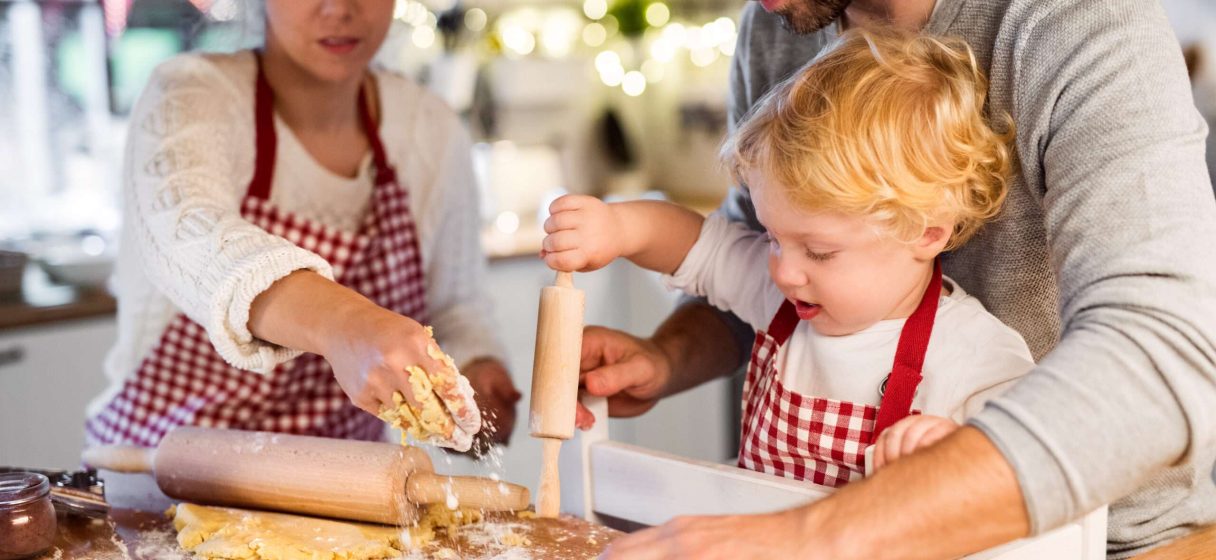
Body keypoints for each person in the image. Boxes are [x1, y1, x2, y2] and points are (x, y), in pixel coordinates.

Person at [587, 0, 1216, 558]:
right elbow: (756, 262)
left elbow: (1162, 356)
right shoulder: (779, 24)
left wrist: (808, 538)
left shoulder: (1080, 24)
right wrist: (666, 355)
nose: (788, 265)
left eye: (821, 252)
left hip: (1100, 541)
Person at [546, 30, 1034, 486]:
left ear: (925, 233)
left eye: (820, 252)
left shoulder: (973, 353)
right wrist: (618, 227)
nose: (782, 268)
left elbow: (1026, 461)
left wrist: (954, 451)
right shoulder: (783, 298)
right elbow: (696, 244)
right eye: (774, 238)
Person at [84, 0, 521, 454]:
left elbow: (456, 308)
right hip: (162, 481)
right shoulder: (189, 95)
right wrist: (347, 326)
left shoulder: (430, 128)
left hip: (345, 496)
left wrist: (475, 375)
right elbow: (191, 237)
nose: (339, 9)